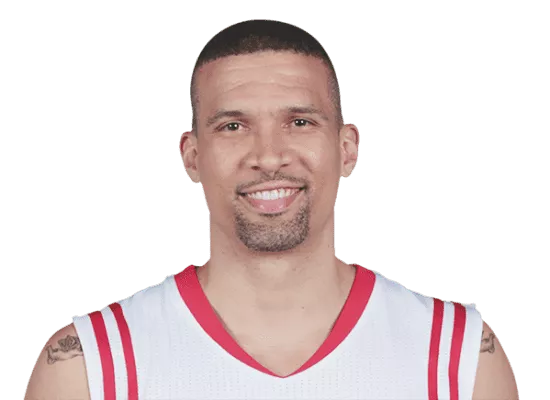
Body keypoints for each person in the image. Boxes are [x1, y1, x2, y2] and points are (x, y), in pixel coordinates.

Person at [23, 18, 519, 400]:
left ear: (347, 148)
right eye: (232, 127)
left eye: (300, 122)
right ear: (191, 157)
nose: (268, 155)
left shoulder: (458, 359)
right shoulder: (89, 368)